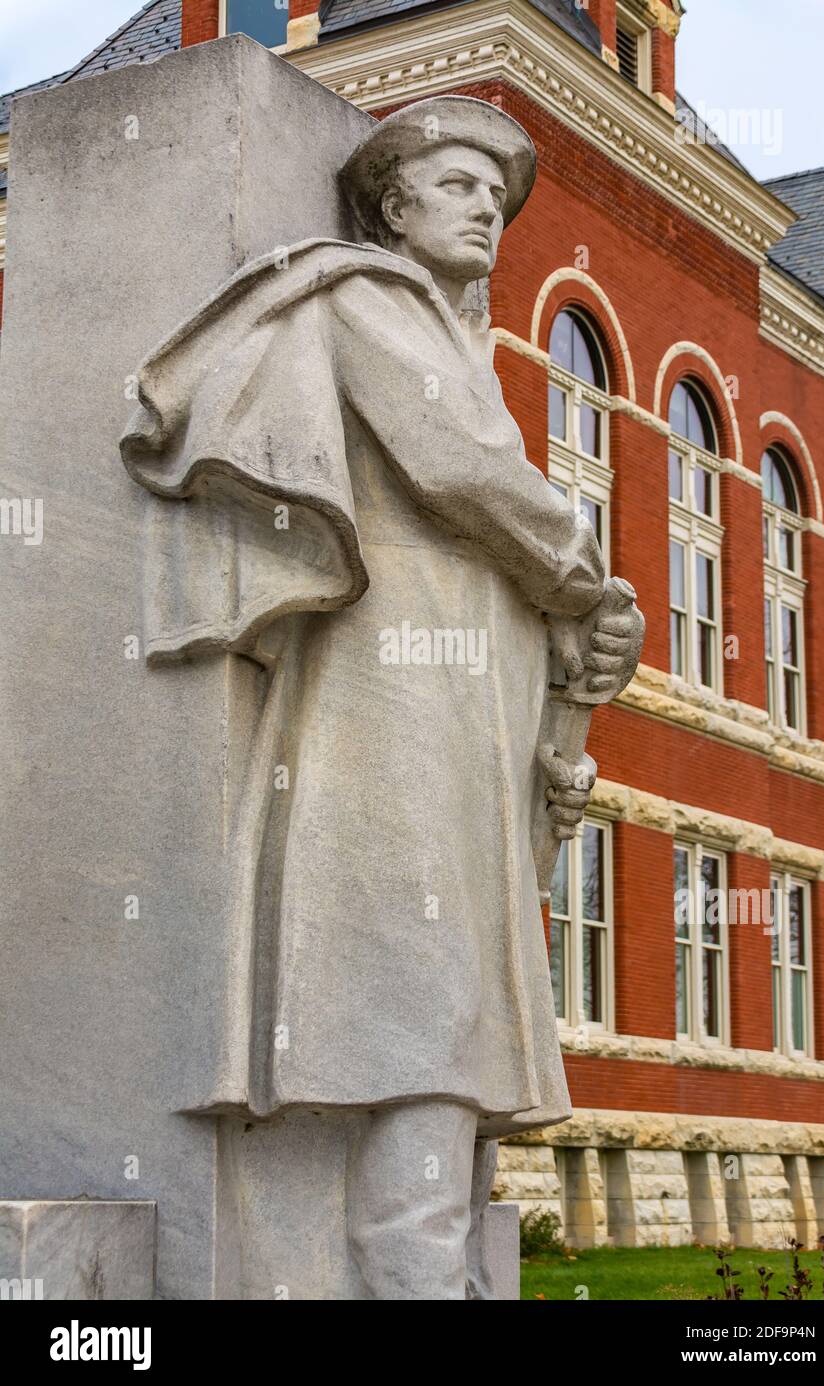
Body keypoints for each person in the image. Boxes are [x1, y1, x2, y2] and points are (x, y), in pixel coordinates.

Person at [121, 96, 642, 1299]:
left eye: (496, 199)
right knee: (413, 975)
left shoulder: (458, 335)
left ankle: (439, 1253)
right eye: (456, 186)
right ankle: (401, 1260)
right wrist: (580, 570)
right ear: (391, 204)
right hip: (394, 690)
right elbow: (457, 463)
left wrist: (570, 635)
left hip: (475, 699)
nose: (485, 214)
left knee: (457, 978)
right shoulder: (368, 298)